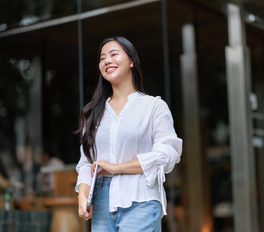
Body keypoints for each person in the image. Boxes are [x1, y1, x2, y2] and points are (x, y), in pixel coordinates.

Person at [75, 36, 183, 232]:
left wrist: (116, 168)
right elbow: (86, 162)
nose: (107, 60)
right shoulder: (93, 113)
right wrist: (83, 194)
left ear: (131, 61)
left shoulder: (153, 106)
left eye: (114, 54)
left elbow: (168, 155)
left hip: (141, 199)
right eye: (102, 58)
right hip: (101, 203)